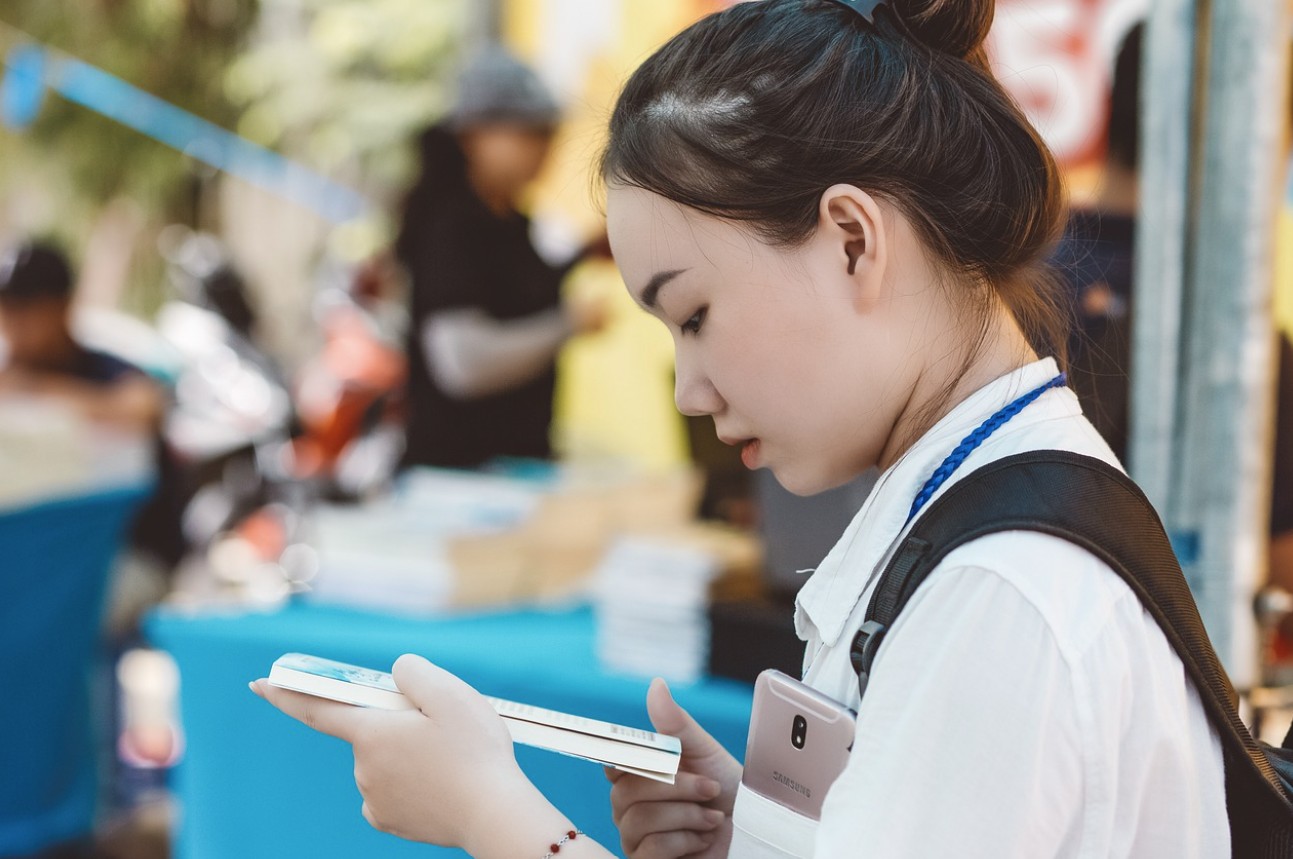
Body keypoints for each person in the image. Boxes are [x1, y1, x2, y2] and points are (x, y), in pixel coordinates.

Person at [254, 1, 1228, 856]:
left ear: (852, 241)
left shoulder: (1000, 594)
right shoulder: (983, 517)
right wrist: (763, 834)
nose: (688, 389)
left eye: (694, 314)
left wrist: (492, 817)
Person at [395, 46, 606, 470]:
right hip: (458, 474)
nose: (546, 147)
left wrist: (583, 253)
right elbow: (462, 364)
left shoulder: (511, 221)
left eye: (549, 132)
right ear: (474, 135)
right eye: (531, 132)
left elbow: (517, 290)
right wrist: (567, 324)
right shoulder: (451, 226)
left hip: (512, 465)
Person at [0, 240, 162, 433]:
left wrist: (32, 389)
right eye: (5, 308)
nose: (12, 321)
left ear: (61, 307)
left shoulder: (104, 369)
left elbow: (144, 408)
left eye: (24, 308)